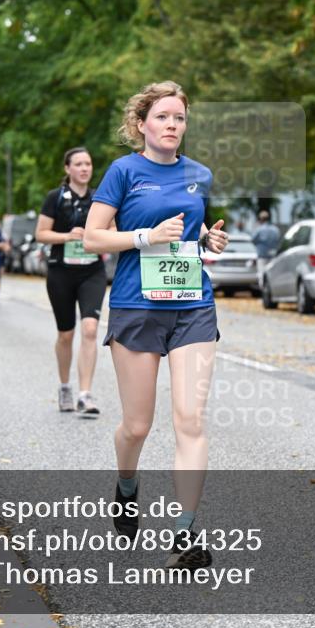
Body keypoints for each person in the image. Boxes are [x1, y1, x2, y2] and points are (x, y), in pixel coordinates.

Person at [83, 81, 229, 570]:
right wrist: (145, 235)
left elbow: (193, 227)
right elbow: (91, 237)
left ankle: (185, 534)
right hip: (135, 306)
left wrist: (211, 239)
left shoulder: (199, 174)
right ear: (142, 124)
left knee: (190, 420)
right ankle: (127, 485)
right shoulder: (124, 172)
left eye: (180, 118)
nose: (172, 125)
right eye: (163, 117)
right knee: (137, 426)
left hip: (192, 305)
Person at [36, 147, 107, 417]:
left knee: (90, 329)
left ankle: (85, 394)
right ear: (67, 168)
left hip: (92, 271)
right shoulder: (54, 198)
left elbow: (111, 229)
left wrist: (93, 235)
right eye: (78, 164)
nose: (84, 168)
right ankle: (65, 386)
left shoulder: (100, 198)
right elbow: (41, 234)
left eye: (88, 163)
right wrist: (68, 236)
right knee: (66, 334)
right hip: (61, 272)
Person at [251, 209, 281, 275]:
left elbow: (253, 239)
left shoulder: (259, 229)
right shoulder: (275, 229)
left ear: (261, 219)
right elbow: (278, 241)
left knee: (261, 274)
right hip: (273, 256)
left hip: (262, 256)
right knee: (272, 275)